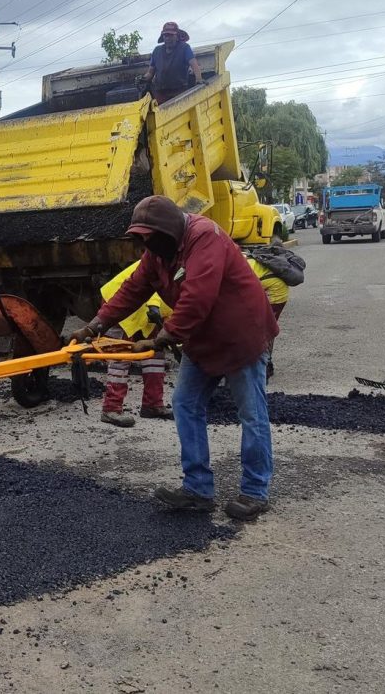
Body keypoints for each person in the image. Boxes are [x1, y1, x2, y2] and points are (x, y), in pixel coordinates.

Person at [72, 196, 278, 520]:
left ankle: (255, 491)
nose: (147, 245)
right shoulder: (158, 253)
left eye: (149, 237)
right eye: (142, 239)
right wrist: (95, 325)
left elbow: (197, 297)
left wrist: (163, 338)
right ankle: (198, 489)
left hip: (240, 337)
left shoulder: (204, 236)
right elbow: (132, 289)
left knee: (251, 414)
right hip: (200, 339)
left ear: (167, 230)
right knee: (185, 404)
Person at [98, 260, 173, 428]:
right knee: (122, 354)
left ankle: (152, 405)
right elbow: (154, 281)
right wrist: (154, 306)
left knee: (155, 352)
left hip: (147, 308)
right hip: (120, 301)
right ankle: (111, 409)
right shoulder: (172, 262)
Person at [245, 251, 290, 380]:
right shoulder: (243, 259)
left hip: (275, 295)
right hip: (273, 291)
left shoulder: (243, 264)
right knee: (263, 329)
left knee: (262, 330)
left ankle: (265, 365)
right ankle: (263, 363)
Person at [137, 21, 203, 104]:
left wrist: (199, 79)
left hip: (180, 93)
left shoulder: (184, 48)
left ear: (177, 36)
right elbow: (150, 72)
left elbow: (194, 64)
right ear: (163, 37)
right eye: (166, 35)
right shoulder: (157, 51)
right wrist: (143, 79)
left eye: (171, 35)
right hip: (161, 94)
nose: (168, 38)